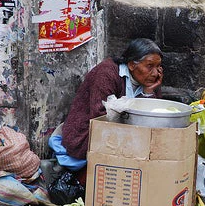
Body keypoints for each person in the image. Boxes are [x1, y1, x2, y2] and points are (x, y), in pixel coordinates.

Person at [59, 38, 164, 185]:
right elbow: (100, 116)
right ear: (132, 65)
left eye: (158, 66)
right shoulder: (106, 73)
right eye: (149, 66)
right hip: (87, 134)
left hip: (123, 135)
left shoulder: (150, 80)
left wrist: (148, 93)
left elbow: (153, 115)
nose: (155, 73)